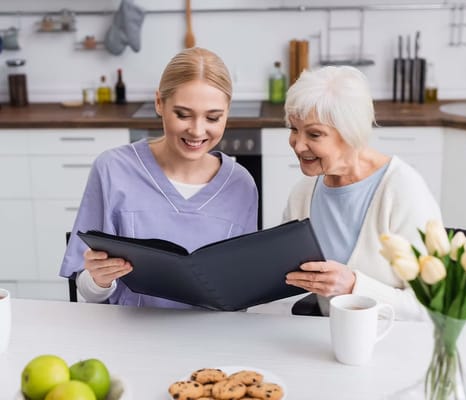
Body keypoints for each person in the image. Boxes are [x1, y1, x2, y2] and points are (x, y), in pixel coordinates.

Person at [60, 47, 258, 308]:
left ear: (227, 112)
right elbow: (87, 289)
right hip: (132, 340)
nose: (197, 130)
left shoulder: (241, 185)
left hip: (212, 341)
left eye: (213, 117)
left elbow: (243, 288)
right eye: (183, 114)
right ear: (159, 103)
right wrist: (99, 280)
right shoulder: (112, 169)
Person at [283, 66, 441, 321]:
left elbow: (434, 308)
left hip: (401, 348)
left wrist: (355, 286)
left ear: (351, 132)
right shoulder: (303, 194)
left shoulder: (402, 191)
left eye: (314, 134)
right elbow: (287, 286)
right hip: (329, 342)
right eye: (293, 129)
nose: (298, 145)